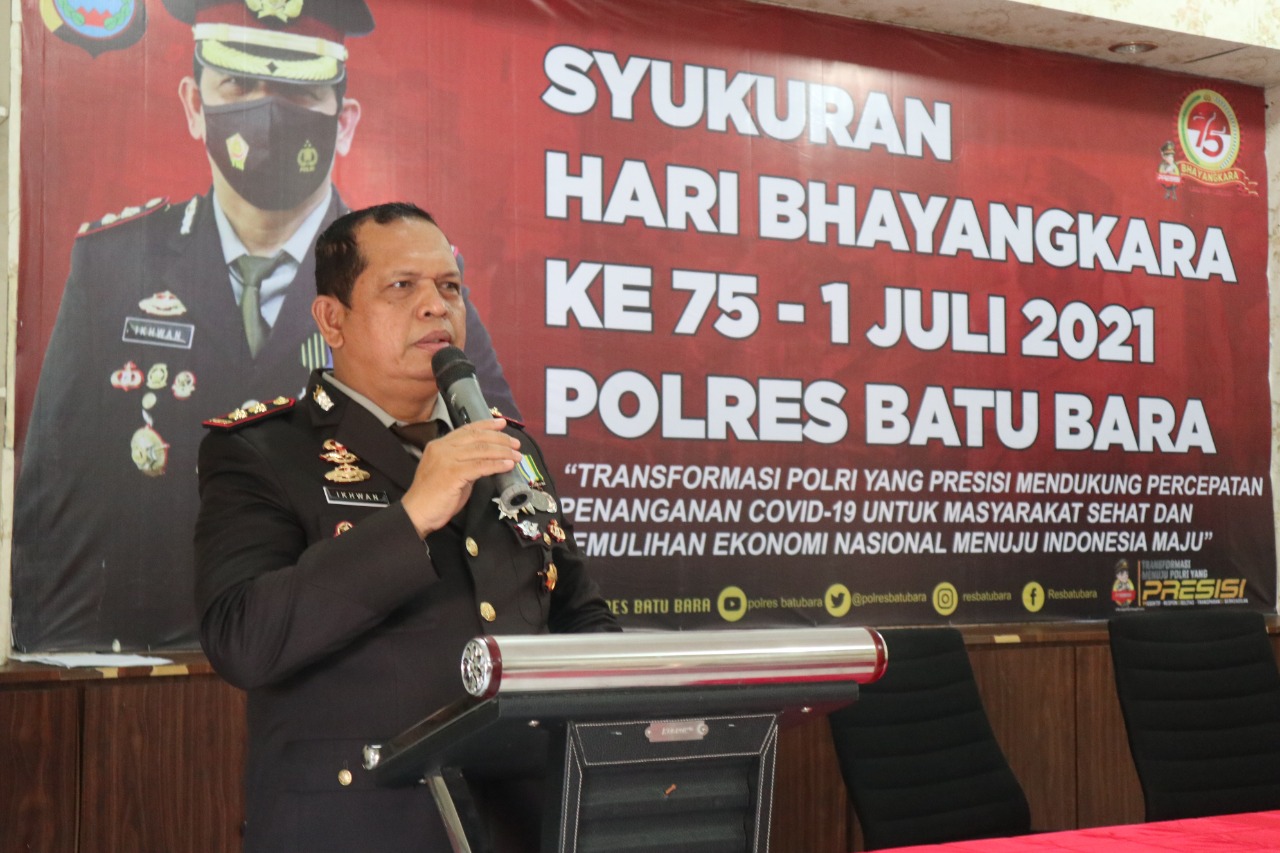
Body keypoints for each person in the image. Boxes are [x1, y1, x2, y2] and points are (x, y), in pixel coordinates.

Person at [12, 0, 518, 651]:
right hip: (145, 673)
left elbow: (503, 487)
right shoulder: (114, 267)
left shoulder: (421, 288)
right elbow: (54, 512)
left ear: (344, 122)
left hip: (352, 656)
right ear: (195, 104)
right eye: (239, 85)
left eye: (300, 91)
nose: (268, 111)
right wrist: (64, 666)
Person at [193, 202, 619, 853]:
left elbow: (578, 617)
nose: (435, 306)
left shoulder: (509, 450)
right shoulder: (262, 450)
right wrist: (413, 515)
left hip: (521, 823)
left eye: (450, 286)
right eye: (402, 286)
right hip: (358, 829)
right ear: (331, 319)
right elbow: (242, 638)